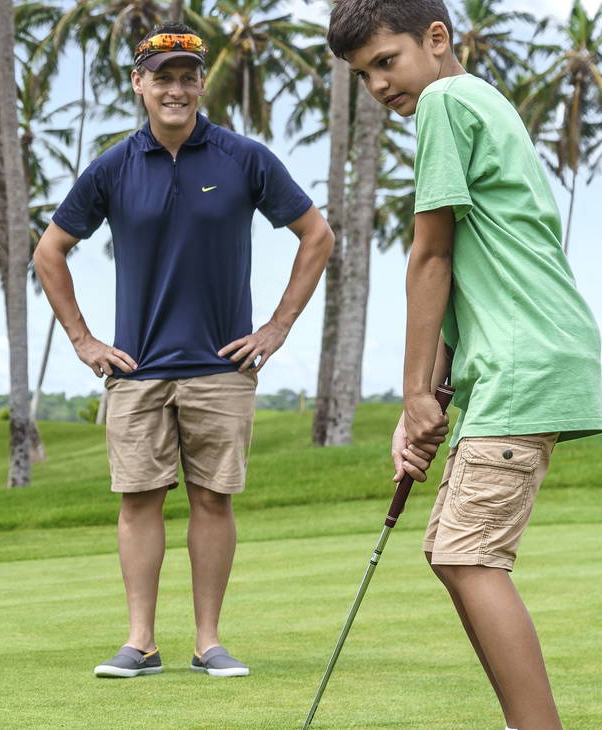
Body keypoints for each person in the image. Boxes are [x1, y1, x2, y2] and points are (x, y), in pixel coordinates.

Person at [31, 22, 335, 680]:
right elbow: (49, 251)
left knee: (213, 500)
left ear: (202, 84)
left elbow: (317, 235)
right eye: (162, 76)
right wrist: (83, 340)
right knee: (138, 500)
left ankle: (208, 642)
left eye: (188, 77)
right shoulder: (113, 166)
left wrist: (277, 327)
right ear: (138, 84)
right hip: (137, 370)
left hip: (221, 369)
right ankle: (139, 643)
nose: (176, 88)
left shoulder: (242, 158)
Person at [330, 1, 602, 727]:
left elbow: (433, 257)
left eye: (385, 62)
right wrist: (430, 397)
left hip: (522, 361)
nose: (378, 85)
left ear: (436, 38)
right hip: (520, 357)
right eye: (363, 75)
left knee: (470, 558)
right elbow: (470, 273)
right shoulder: (482, 101)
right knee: (449, 552)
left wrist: (413, 392)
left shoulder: (445, 102)